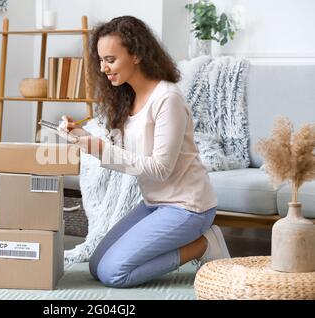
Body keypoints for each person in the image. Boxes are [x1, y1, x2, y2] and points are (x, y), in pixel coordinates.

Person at [61, 16, 230, 288]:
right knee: (96, 265)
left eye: (110, 60)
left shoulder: (167, 98)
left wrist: (99, 149)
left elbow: (160, 168)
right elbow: (123, 151)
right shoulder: (127, 98)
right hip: (155, 203)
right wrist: (82, 137)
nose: (103, 68)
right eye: (100, 60)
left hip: (188, 207)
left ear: (136, 54)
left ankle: (203, 244)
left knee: (113, 273)